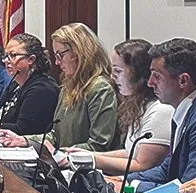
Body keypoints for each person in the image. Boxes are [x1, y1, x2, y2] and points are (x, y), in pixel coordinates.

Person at [112, 38, 196, 193]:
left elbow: (190, 191)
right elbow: (166, 170)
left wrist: (130, 186)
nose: (150, 83)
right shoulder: (186, 111)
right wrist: (122, 180)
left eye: (156, 76)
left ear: (183, 80)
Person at [0, 23, 119, 152]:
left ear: (80, 52)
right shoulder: (68, 86)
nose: (57, 62)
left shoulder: (100, 88)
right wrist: (24, 140)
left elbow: (99, 145)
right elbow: (55, 136)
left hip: (87, 167)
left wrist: (59, 153)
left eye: (60, 55)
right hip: (64, 163)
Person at [64, 39, 174, 175]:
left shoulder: (161, 111)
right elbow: (130, 153)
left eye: (118, 71)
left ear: (138, 73)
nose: (112, 77)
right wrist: (88, 154)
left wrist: (92, 159)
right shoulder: (138, 105)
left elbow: (142, 164)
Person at [0, 34, 59, 135]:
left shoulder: (41, 89)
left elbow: (24, 130)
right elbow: (3, 118)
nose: (6, 61)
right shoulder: (15, 85)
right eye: (5, 56)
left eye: (12, 55)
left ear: (31, 59)